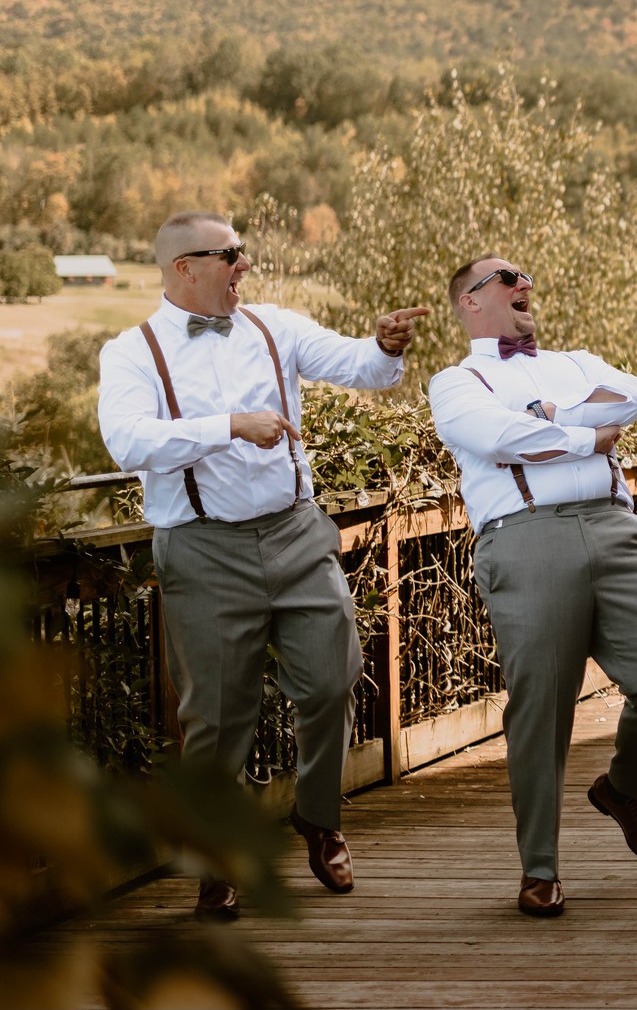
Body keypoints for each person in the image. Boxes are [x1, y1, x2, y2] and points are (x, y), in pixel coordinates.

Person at [98, 211, 429, 918]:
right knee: (217, 718)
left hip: (297, 533)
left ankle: (317, 814)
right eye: (231, 255)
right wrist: (228, 427)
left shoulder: (275, 326)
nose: (245, 265)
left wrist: (384, 343)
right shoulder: (133, 351)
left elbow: (359, 365)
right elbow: (127, 441)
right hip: (202, 549)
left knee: (333, 677)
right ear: (185, 266)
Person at [428, 256, 637, 918]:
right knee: (543, 704)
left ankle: (624, 788)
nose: (525, 285)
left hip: (614, 526)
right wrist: (586, 435)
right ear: (468, 301)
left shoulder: (578, 361)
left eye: (526, 277)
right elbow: (495, 435)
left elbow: (630, 395)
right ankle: (540, 868)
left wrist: (552, 413)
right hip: (525, 536)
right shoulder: (457, 380)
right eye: (506, 277)